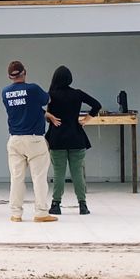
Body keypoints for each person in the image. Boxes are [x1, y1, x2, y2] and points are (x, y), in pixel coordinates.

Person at [1, 61, 59, 222]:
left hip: (14, 140)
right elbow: (46, 99)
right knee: (39, 178)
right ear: (24, 72)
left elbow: (23, 108)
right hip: (34, 139)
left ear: (9, 76)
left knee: (16, 178)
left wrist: (42, 113)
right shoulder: (32, 89)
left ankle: (16, 214)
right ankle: (41, 213)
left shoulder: (5, 92)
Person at [45, 65, 103, 215]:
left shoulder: (51, 95)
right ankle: (82, 205)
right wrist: (86, 119)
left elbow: (39, 109)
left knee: (59, 173)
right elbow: (97, 105)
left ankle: (56, 204)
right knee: (77, 172)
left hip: (57, 138)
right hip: (76, 137)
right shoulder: (77, 94)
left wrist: (50, 117)